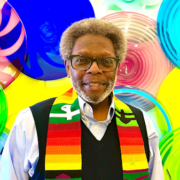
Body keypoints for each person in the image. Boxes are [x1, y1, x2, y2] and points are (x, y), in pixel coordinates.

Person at [0, 18, 164, 180]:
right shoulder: (31, 122)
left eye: (106, 61)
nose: (94, 69)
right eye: (81, 60)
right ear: (67, 67)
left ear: (118, 67)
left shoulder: (142, 124)